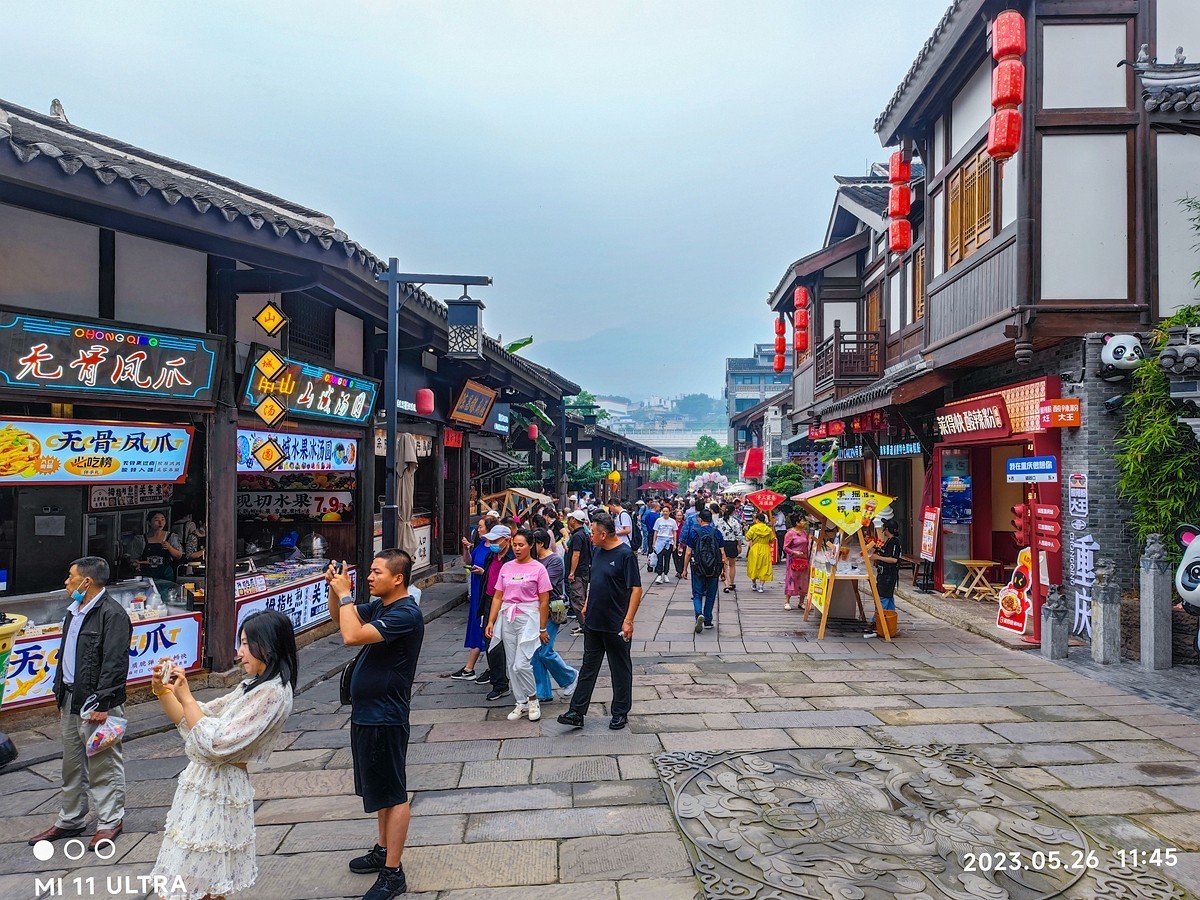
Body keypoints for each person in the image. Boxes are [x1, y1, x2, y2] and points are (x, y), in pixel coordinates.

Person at [148, 609, 296, 900]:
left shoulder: (273, 693)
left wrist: (186, 696)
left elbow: (215, 742)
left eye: (245, 643)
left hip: (219, 788)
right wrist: (164, 691)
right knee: (203, 881)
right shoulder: (254, 686)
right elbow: (196, 720)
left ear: (267, 646)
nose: (239, 652)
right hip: (207, 785)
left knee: (195, 881)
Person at [326, 549, 424, 900]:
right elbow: (342, 622)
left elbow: (352, 637)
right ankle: (382, 849)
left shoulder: (406, 613)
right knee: (378, 790)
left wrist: (347, 593)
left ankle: (393, 873)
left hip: (386, 716)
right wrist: (334, 590)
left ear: (397, 578)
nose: (369, 577)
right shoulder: (383, 606)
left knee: (393, 794)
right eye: (369, 571)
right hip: (368, 713)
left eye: (376, 572)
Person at [29, 557, 132, 850]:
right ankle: (71, 817)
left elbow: (115, 661)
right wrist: (59, 690)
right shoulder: (74, 611)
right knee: (72, 764)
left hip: (98, 701)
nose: (66, 582)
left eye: (70, 576)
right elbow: (67, 655)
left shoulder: (113, 614)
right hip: (71, 696)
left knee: (104, 763)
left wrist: (103, 700)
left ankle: (110, 820)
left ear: (86, 581)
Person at [556, 511, 643, 731]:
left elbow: (636, 589)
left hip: (616, 622)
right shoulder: (597, 551)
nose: (590, 536)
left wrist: (629, 620)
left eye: (592, 532)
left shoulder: (625, 555)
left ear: (603, 534)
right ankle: (576, 711)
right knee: (588, 667)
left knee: (619, 668)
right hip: (594, 620)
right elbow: (596, 580)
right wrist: (586, 603)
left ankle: (620, 712)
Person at [484, 530, 551, 722]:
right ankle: (520, 702)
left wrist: (542, 628)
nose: (518, 548)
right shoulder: (506, 567)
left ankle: (532, 699)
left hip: (529, 618)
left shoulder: (539, 569)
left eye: (521, 545)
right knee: (512, 665)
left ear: (530, 545)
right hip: (507, 617)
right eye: (515, 544)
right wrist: (491, 620)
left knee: (522, 664)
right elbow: (498, 595)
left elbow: (544, 601)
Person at [530, 529, 579, 703]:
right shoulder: (534, 560)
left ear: (540, 544)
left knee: (544, 651)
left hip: (551, 608)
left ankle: (570, 676)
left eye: (531, 544)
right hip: (535, 609)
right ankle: (542, 691)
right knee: (536, 652)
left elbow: (545, 584)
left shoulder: (554, 560)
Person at [445, 516, 493, 681]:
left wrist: (483, 572)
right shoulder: (481, 545)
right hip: (476, 589)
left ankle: (485, 667)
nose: (478, 530)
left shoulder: (494, 549)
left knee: (484, 627)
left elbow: (497, 574)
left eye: (481, 527)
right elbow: (469, 560)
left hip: (485, 592)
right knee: (475, 625)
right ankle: (470, 668)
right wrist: (466, 550)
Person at [478, 525, 515, 699]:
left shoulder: (513, 559)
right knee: (490, 641)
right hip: (489, 601)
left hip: (509, 604)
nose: (491, 543)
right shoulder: (491, 556)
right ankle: (499, 682)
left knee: (511, 645)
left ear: (507, 540)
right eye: (490, 540)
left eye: (494, 540)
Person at [683, 508, 724, 633]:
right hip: (714, 568)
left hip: (698, 567)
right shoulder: (716, 533)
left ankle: (698, 614)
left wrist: (685, 569)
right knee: (711, 595)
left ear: (700, 519)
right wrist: (724, 571)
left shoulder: (694, 532)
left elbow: (688, 552)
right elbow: (722, 553)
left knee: (697, 594)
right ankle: (708, 620)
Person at [866, 520, 903, 638]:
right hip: (884, 574)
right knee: (889, 600)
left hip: (888, 575)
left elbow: (894, 559)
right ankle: (889, 623)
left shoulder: (894, 543)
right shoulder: (889, 542)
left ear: (887, 530)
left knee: (882, 599)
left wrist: (878, 557)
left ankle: (876, 622)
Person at [130, 511, 184, 582]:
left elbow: (178, 555)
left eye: (162, 519)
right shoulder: (140, 539)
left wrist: (169, 547)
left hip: (166, 576)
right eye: (156, 520)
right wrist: (136, 564)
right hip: (147, 576)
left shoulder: (171, 537)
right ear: (149, 522)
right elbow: (134, 559)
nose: (160, 522)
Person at [564, 511, 592, 636]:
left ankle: (585, 626)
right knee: (581, 598)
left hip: (578, 573)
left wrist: (571, 573)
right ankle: (584, 625)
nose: (569, 521)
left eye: (570, 519)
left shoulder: (577, 536)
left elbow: (576, 554)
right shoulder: (584, 534)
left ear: (574, 520)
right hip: (584, 570)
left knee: (578, 600)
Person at [782, 512, 811, 611]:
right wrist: (794, 552)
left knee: (803, 580)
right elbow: (785, 547)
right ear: (797, 522)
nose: (804, 522)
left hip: (804, 559)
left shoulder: (804, 533)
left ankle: (801, 602)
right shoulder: (790, 533)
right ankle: (787, 601)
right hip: (793, 560)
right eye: (802, 520)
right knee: (792, 578)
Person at [715, 503, 744, 593]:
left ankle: (726, 584)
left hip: (722, 545)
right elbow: (739, 535)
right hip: (732, 544)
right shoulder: (735, 522)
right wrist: (739, 546)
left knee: (724, 565)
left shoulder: (719, 521)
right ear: (733, 512)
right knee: (732, 565)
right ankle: (732, 583)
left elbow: (716, 533)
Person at [745, 513, 776, 592]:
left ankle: (754, 583)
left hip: (755, 548)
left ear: (757, 520)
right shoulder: (768, 529)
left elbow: (747, 538)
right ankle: (761, 586)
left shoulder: (753, 528)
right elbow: (772, 540)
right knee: (764, 567)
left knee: (753, 566)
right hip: (765, 548)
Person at [652, 503, 678, 584]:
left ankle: (666, 574)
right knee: (659, 558)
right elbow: (656, 532)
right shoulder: (658, 520)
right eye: (664, 511)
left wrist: (674, 543)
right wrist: (654, 543)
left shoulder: (673, 521)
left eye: (667, 511)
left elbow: (674, 532)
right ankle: (659, 575)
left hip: (669, 542)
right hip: (660, 541)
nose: (665, 513)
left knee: (667, 559)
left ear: (669, 512)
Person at [671, 508, 688, 579]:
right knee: (675, 557)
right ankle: (678, 570)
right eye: (678, 515)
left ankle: (680, 571)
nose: (679, 517)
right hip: (674, 541)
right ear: (675, 516)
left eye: (680, 515)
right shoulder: (672, 523)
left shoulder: (685, 524)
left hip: (682, 542)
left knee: (682, 557)